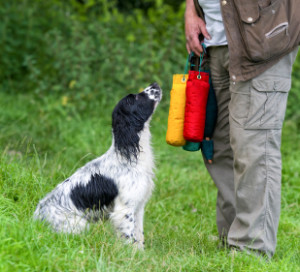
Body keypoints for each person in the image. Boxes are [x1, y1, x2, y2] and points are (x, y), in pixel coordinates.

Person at [185, 0, 300, 258]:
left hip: (263, 36)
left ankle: (251, 249)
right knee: (221, 146)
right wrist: (191, 9)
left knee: (253, 146)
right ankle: (232, 237)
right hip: (215, 39)